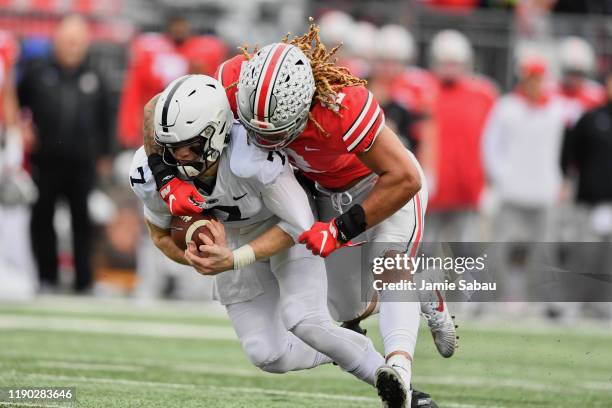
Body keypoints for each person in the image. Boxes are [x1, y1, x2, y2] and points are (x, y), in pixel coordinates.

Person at [141, 23, 454, 408]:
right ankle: (420, 288)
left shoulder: (343, 108)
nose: (259, 142)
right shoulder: (232, 81)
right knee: (346, 308)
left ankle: (401, 377)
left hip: (377, 185)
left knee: (391, 266)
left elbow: (404, 179)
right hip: (323, 191)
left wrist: (340, 229)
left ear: (305, 107)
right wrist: (164, 175)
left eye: (273, 134)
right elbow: (159, 108)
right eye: (251, 127)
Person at [17, 15, 111, 293]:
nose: (72, 46)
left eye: (77, 41)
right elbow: (16, 104)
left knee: (83, 221)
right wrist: (20, 127)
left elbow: (105, 120)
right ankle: (46, 277)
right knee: (42, 219)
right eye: (68, 40)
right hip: (44, 162)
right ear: (56, 41)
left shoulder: (96, 77)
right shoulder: (37, 72)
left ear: (86, 44)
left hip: (82, 164)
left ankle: (84, 281)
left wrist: (105, 155)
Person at [423, 30, 498, 243]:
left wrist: (490, 184)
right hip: (433, 189)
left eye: (454, 63)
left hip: (467, 190)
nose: (450, 69)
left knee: (465, 253)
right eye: (445, 62)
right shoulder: (423, 91)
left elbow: (493, 142)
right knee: (425, 252)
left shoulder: (483, 94)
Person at [117, 14, 227, 148]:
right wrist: (129, 130)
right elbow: (134, 92)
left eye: (182, 25)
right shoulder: (150, 51)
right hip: (156, 120)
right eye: (176, 25)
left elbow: (215, 90)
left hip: (191, 122)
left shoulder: (205, 50)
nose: (179, 30)